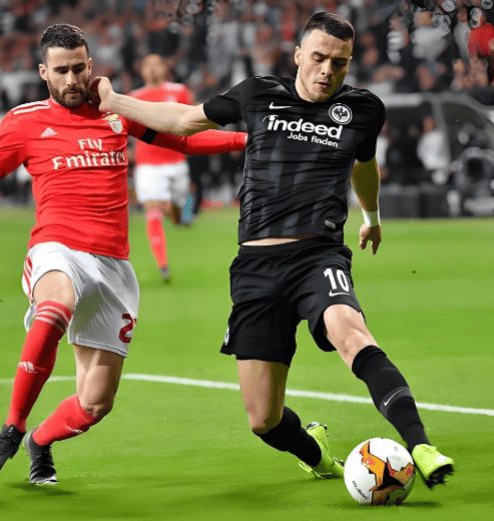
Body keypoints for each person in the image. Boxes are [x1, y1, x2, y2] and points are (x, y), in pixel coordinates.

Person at [0, 24, 246, 486]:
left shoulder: (115, 110)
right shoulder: (24, 121)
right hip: (56, 247)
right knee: (55, 305)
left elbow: (182, 140)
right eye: (60, 70)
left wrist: (247, 141)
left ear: (91, 66)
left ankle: (39, 441)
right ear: (44, 72)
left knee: (95, 404)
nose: (71, 79)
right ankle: (12, 427)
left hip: (113, 264)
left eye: (79, 68)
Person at [92, 12, 454, 489]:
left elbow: (364, 166)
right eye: (319, 58)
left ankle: (421, 446)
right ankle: (316, 453)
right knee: (263, 418)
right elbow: (182, 120)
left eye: (340, 62)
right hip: (256, 267)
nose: (327, 70)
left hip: (318, 255)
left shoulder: (363, 109)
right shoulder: (258, 93)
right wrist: (114, 100)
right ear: (299, 55)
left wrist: (371, 217)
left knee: (350, 332)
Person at [129, 54, 195, 284]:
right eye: (148, 65)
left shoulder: (179, 91)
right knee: (153, 210)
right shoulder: (135, 98)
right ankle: (163, 265)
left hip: (176, 161)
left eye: (157, 64)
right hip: (148, 164)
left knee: (176, 213)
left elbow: (193, 119)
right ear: (142, 70)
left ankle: (176, 213)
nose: (152, 69)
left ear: (165, 68)